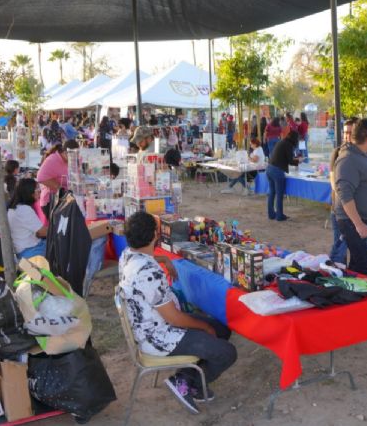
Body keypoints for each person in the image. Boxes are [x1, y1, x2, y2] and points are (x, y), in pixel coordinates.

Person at [119, 211, 237, 412]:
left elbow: (146, 259)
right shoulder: (148, 273)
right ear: (154, 235)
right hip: (158, 336)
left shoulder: (127, 255)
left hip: (152, 324)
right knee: (227, 352)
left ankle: (187, 377)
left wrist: (164, 259)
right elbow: (174, 318)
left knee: (222, 329)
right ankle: (187, 383)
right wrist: (204, 327)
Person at [333, 119, 367, 277]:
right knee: (366, 267)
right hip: (356, 221)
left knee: (361, 266)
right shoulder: (348, 159)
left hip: (366, 220)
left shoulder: (363, 156)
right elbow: (344, 193)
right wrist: (359, 224)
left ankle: (354, 290)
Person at [328, 118, 358, 264]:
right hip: (340, 209)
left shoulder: (365, 154)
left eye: (351, 133)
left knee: (357, 249)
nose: (347, 136)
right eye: (345, 132)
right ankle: (338, 271)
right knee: (340, 247)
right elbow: (334, 183)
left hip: (359, 210)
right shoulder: (337, 153)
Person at [7, 178, 48, 260]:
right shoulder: (24, 209)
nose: (39, 191)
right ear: (29, 192)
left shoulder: (13, 208)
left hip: (24, 250)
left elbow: (38, 232)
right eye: (37, 189)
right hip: (32, 251)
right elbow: (42, 232)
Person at [266, 130, 302, 221]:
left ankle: (271, 214)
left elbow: (285, 157)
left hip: (269, 168)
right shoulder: (288, 145)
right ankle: (279, 215)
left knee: (272, 193)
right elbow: (290, 161)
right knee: (279, 194)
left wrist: (295, 160)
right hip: (277, 171)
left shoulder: (281, 142)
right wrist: (298, 161)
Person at [37, 140, 79, 218]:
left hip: (66, 200)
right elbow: (40, 177)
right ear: (65, 153)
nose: (75, 157)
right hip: (51, 201)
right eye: (73, 155)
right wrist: (60, 189)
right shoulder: (53, 160)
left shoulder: (70, 160)